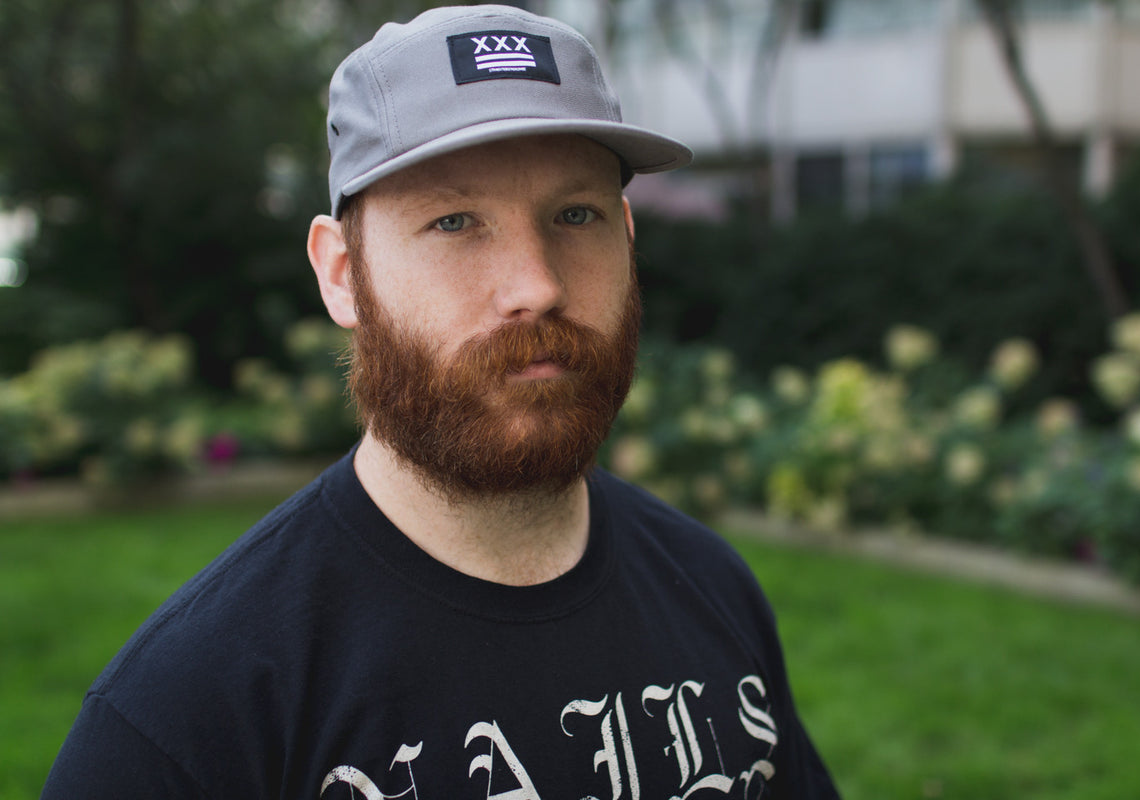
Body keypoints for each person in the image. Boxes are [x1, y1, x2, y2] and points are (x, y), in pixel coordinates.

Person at [41, 5, 840, 798]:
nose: (538, 285)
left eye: (575, 215)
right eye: (455, 221)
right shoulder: (191, 715)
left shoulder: (711, 586)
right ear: (342, 274)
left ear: (627, 237)